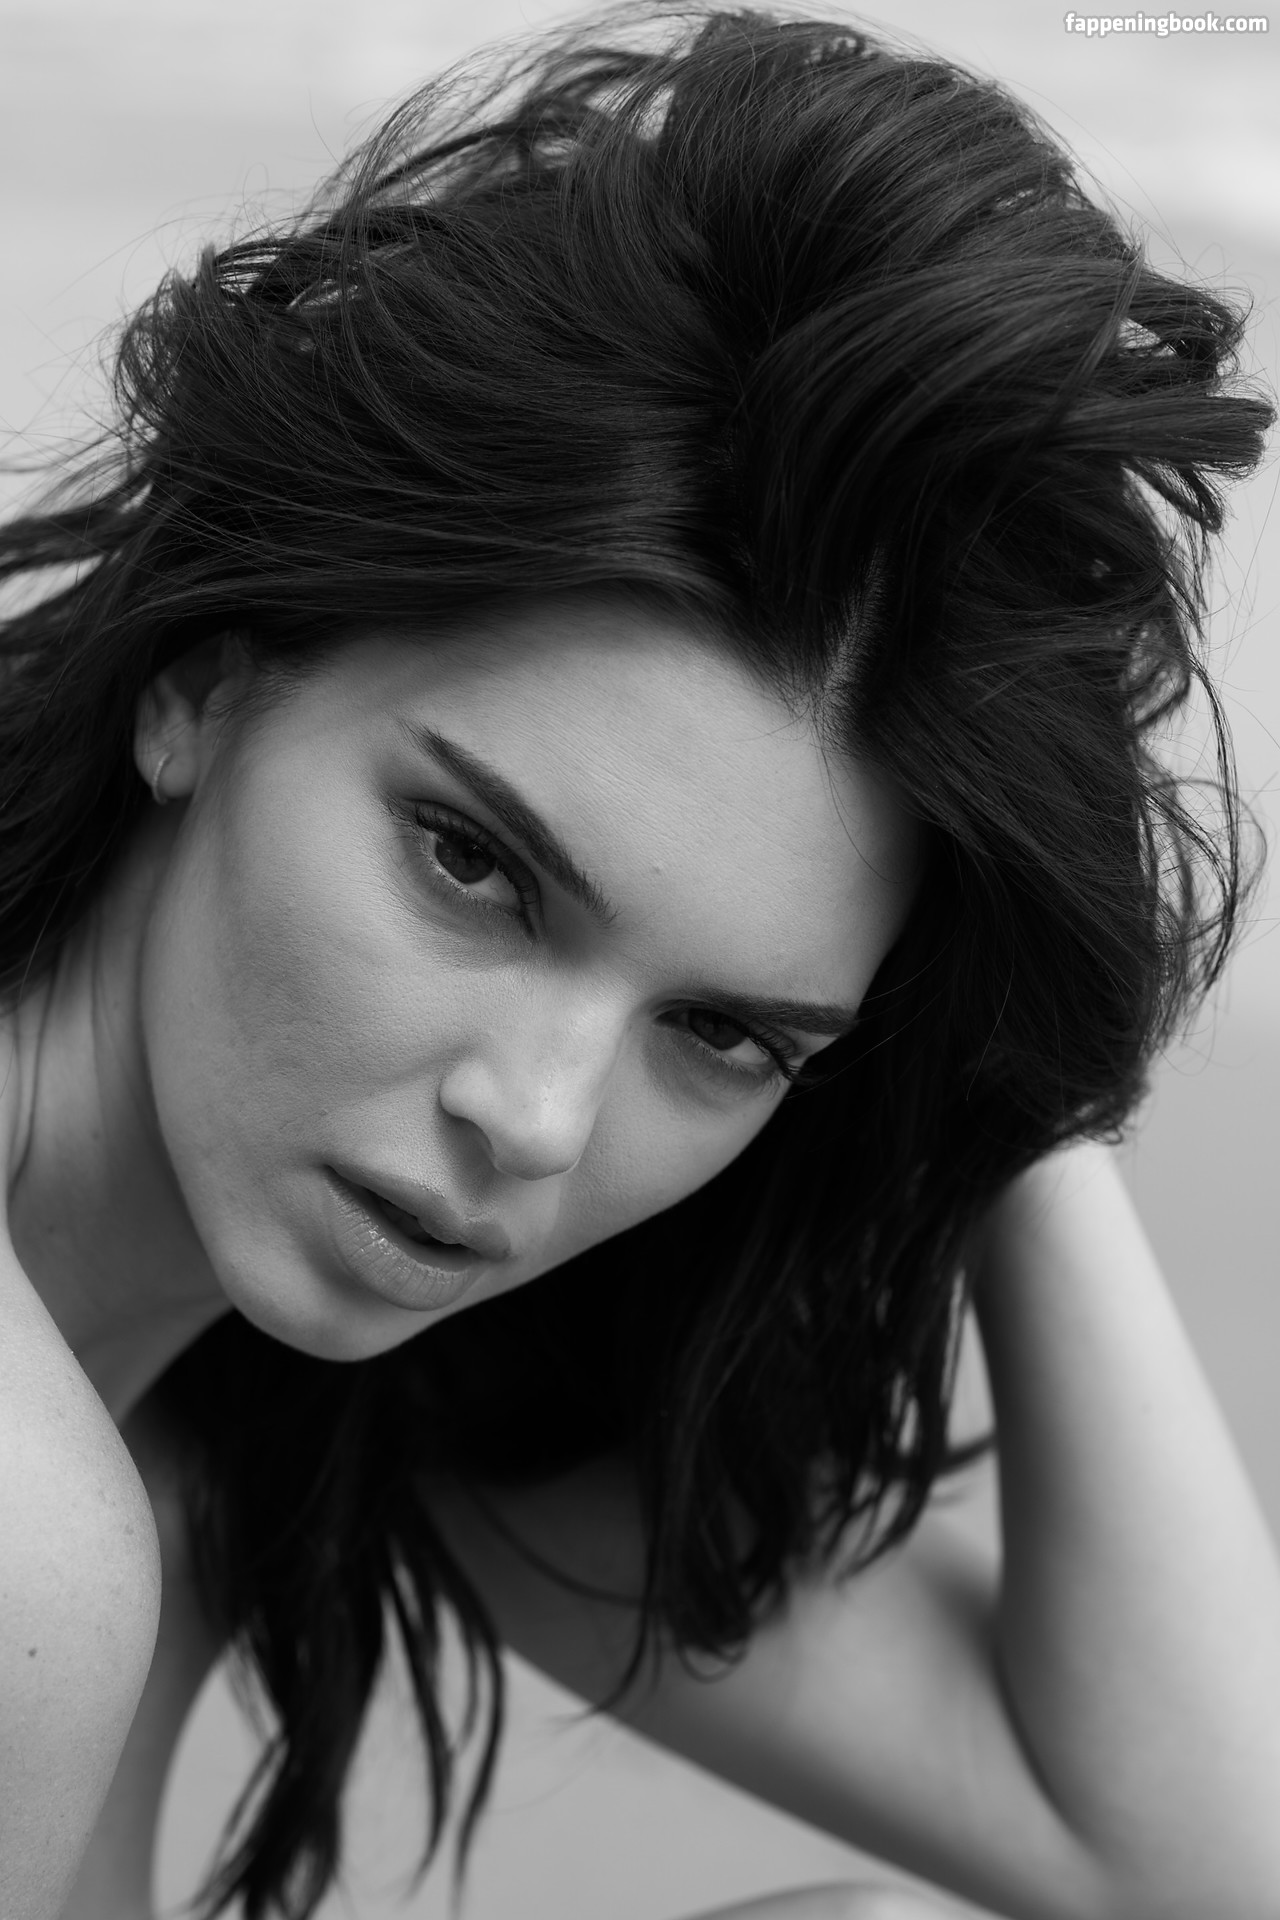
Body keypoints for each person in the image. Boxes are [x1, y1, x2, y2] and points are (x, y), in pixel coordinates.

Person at [1, 6, 1278, 1917]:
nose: (533, 1120)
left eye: (721, 1033)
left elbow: (1196, 1862)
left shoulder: (296, 1378)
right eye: (473, 866)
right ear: (204, 680)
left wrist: (998, 1078)